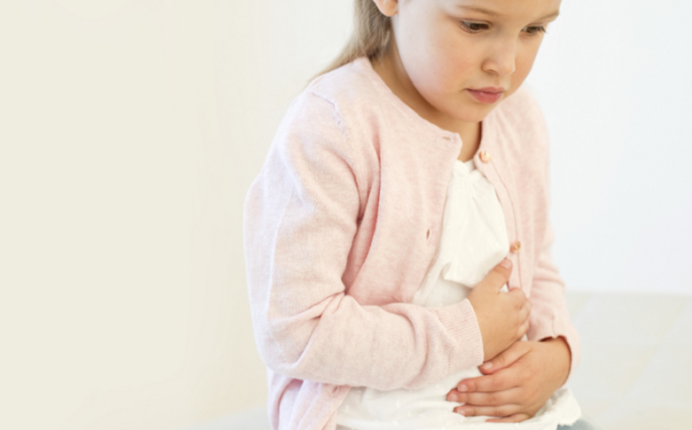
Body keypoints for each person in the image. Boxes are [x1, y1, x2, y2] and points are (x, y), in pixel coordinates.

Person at [243, 0, 597, 429]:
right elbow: (294, 332)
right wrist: (466, 333)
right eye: (475, 25)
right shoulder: (332, 127)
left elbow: (535, 264)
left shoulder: (519, 120)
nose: (505, 65)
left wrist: (557, 352)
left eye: (533, 30)